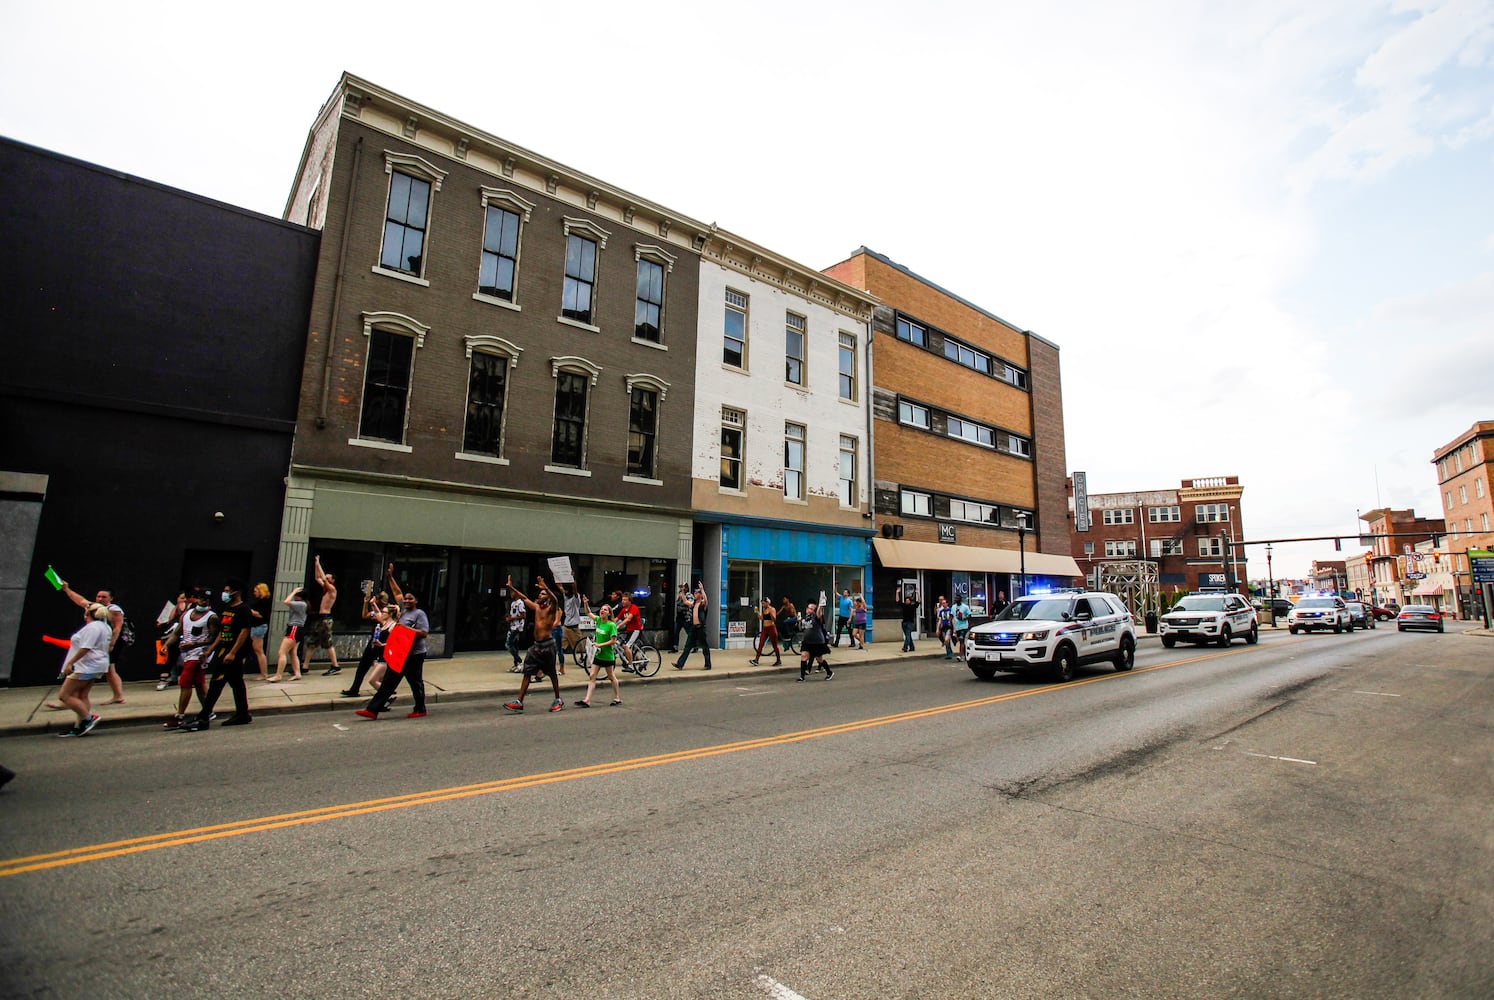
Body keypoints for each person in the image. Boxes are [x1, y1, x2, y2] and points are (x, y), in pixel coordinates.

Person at [356, 564, 430, 720]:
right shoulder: (403, 609)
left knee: (415, 682)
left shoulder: (419, 614)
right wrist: (390, 577)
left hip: (415, 655)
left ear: (416, 600)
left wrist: (405, 629)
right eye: (406, 598)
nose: (407, 600)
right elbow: (397, 592)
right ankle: (372, 710)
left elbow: (423, 633)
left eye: (411, 598)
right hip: (401, 653)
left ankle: (420, 708)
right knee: (389, 681)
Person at [180, 580, 253, 731]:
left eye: (227, 590)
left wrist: (232, 652)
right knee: (236, 683)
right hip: (223, 649)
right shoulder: (227, 609)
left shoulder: (243, 610)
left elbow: (244, 632)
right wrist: (210, 650)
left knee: (216, 684)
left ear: (236, 592)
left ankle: (203, 718)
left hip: (232, 653)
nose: (224, 594)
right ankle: (242, 713)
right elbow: (221, 632)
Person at [57, 581, 127, 706]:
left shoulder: (114, 609)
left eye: (104, 597)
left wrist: (111, 644)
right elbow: (80, 600)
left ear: (111, 598)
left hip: (108, 643)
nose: (100, 599)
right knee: (107, 670)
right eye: (98, 596)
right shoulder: (94, 607)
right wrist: (67, 590)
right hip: (100, 644)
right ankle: (116, 696)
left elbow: (117, 627)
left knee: (109, 669)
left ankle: (70, 698)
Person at [503, 575, 565, 713]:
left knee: (552, 674)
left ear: (547, 596)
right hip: (536, 646)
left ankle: (558, 699)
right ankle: (519, 702)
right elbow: (524, 598)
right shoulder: (537, 608)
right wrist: (511, 587)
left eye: (543, 593)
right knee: (527, 672)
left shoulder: (551, 609)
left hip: (548, 645)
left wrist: (546, 588)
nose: (540, 594)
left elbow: (555, 599)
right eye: (540, 593)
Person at [55, 602, 112, 737]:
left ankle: (88, 718)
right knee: (82, 695)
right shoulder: (105, 627)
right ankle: (80, 726)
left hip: (87, 667)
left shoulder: (92, 628)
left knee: (64, 695)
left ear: (89, 613)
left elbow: (85, 647)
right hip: (97, 665)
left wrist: (70, 663)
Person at [163, 588, 218, 730]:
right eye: (200, 598)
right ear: (195, 599)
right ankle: (208, 711)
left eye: (206, 599)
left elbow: (214, 637)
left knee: (185, 681)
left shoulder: (212, 617)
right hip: (187, 652)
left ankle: (180, 716)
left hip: (200, 654)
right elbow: (177, 632)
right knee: (199, 684)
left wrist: (195, 645)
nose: (203, 601)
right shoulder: (186, 615)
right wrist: (167, 645)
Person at [342, 578, 395, 698]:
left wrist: (373, 604)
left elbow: (381, 618)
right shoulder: (378, 610)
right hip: (374, 641)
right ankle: (355, 688)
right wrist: (366, 602)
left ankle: (387, 689)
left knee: (382, 668)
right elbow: (365, 615)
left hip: (383, 642)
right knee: (363, 665)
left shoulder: (388, 611)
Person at [575, 598, 621, 708]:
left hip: (607, 655)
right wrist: (585, 603)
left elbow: (613, 641)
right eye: (601, 609)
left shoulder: (611, 625)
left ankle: (617, 697)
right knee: (592, 676)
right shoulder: (599, 620)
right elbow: (588, 613)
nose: (602, 611)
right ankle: (587, 700)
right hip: (598, 654)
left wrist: (600, 644)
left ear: (609, 613)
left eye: (605, 610)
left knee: (611, 676)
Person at [309, 555, 342, 675]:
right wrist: (316, 565)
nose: (325, 579)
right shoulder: (326, 589)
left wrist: (318, 563)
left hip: (326, 619)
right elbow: (318, 577)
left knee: (328, 643)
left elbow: (322, 577)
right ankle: (305, 665)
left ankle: (335, 665)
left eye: (328, 578)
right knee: (312, 642)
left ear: (332, 581)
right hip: (320, 618)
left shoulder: (332, 589)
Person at [271, 586, 309, 682]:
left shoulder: (301, 604)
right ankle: (297, 673)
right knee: (292, 652)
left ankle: (278, 675)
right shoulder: (302, 604)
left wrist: (293, 592)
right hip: (297, 629)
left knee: (282, 652)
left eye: (296, 595)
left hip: (294, 628)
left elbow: (286, 601)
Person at [672, 581, 712, 671]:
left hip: (701, 628)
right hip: (694, 628)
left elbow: (706, 600)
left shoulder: (702, 604)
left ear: (700, 595)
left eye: (697, 593)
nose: (695, 594)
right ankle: (680, 664)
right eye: (694, 592)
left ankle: (708, 664)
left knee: (705, 647)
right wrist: (682, 591)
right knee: (687, 646)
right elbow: (685, 601)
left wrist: (702, 589)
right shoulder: (693, 603)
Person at [797, 602, 833, 681]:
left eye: (810, 608)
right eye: (808, 608)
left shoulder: (815, 617)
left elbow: (819, 614)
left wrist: (820, 605)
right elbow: (801, 629)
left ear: (813, 610)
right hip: (807, 641)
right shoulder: (805, 618)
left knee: (819, 659)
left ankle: (829, 672)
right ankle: (802, 676)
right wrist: (799, 621)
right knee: (804, 655)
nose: (808, 609)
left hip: (816, 641)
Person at [248, 583, 272, 681]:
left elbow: (260, 615)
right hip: (255, 626)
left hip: (258, 626)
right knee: (256, 650)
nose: (254, 593)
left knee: (259, 650)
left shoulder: (264, 601)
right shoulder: (261, 601)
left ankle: (264, 674)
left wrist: (249, 611)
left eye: (256, 591)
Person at [749, 596, 782, 666]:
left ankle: (778, 660)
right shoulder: (764, 610)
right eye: (762, 604)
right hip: (765, 628)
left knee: (774, 645)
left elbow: (774, 619)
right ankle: (756, 660)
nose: (763, 605)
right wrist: (757, 612)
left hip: (771, 628)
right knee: (761, 644)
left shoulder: (772, 609)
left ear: (767, 603)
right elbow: (762, 618)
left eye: (764, 603)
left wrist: (770, 613)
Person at [615, 592, 644, 673]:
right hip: (629, 631)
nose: (623, 602)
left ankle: (631, 666)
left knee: (627, 646)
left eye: (625, 600)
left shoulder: (633, 608)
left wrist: (618, 626)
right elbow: (616, 619)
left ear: (629, 601)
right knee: (624, 646)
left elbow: (628, 619)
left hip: (636, 630)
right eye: (622, 600)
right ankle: (638, 660)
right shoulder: (624, 610)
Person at [505, 585, 526, 672]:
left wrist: (512, 619)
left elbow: (523, 615)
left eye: (512, 592)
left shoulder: (520, 603)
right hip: (512, 625)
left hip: (517, 627)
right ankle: (516, 664)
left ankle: (519, 661)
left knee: (508, 644)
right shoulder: (513, 603)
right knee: (515, 645)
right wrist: (509, 618)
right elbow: (512, 614)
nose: (511, 594)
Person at [671, 584, 691, 653]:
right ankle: (675, 647)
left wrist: (682, 595)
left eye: (683, 587)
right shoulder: (679, 595)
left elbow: (688, 603)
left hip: (686, 618)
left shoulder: (689, 595)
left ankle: (695, 646)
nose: (681, 588)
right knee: (676, 632)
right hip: (679, 618)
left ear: (686, 588)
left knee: (689, 632)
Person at [952, 595, 973, 659]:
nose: (956, 599)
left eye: (957, 598)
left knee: (961, 639)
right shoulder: (953, 607)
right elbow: (951, 615)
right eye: (955, 598)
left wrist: (964, 618)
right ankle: (965, 654)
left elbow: (969, 615)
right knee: (961, 641)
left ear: (960, 599)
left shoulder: (965, 607)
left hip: (964, 626)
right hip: (957, 626)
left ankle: (961, 656)